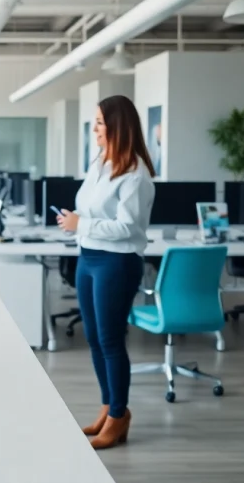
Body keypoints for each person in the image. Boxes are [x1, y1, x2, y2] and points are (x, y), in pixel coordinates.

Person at [56, 95, 155, 450]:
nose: (95, 129)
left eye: (99, 122)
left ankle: (119, 414)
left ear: (117, 126)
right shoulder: (100, 162)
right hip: (89, 257)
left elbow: (128, 227)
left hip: (117, 262)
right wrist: (76, 222)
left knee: (111, 340)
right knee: (94, 338)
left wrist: (82, 222)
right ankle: (106, 407)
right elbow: (91, 209)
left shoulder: (136, 175)